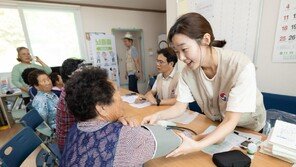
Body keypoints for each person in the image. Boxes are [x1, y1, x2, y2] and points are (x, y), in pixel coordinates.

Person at [142, 12, 266, 157]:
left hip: (248, 128)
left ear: (206, 39)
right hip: (221, 123)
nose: (181, 58)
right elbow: (179, 107)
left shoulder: (240, 66)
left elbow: (231, 120)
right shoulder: (187, 73)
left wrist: (197, 145)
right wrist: (157, 116)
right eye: (177, 52)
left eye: (184, 49)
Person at [61, 67, 156, 166]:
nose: (121, 97)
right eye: (117, 92)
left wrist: (113, 121)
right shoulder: (130, 134)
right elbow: (168, 141)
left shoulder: (73, 130)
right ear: (102, 108)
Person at [56, 58, 84, 151]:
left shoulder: (70, 89)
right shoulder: (72, 94)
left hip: (72, 136)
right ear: (71, 75)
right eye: (81, 70)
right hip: (70, 144)